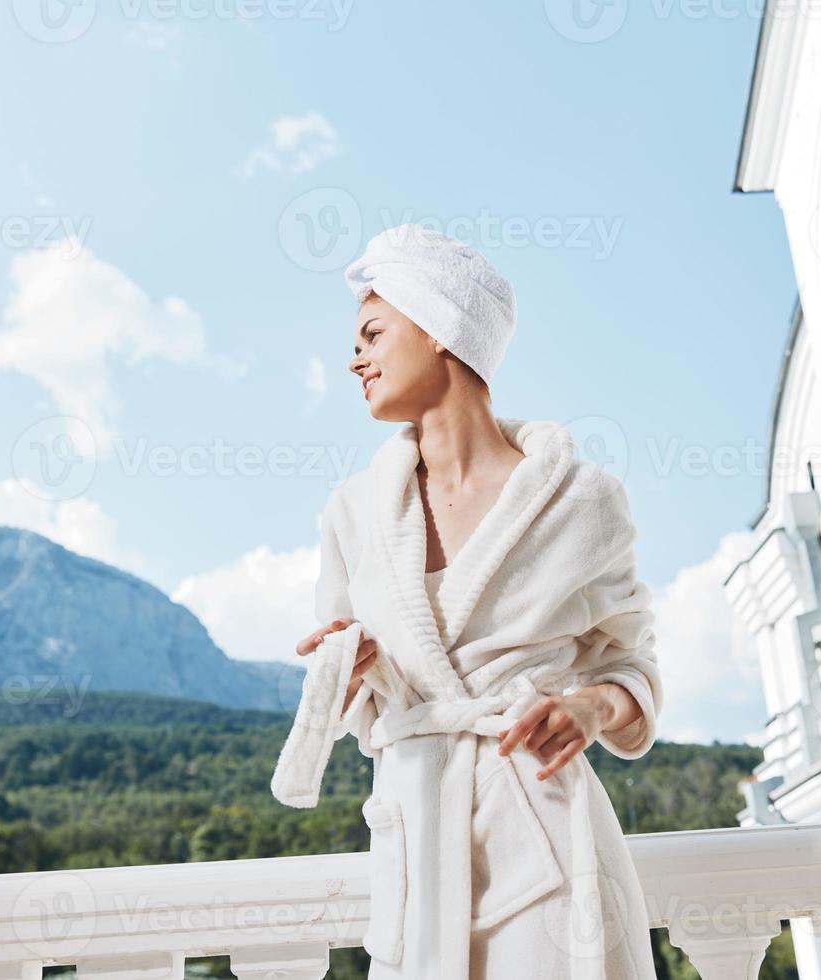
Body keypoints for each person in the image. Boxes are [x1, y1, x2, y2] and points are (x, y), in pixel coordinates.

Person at [284, 223, 663, 980]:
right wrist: (354, 673)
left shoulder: (581, 502)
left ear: (440, 329)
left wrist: (591, 709)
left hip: (547, 835)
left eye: (373, 332)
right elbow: (359, 711)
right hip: (415, 838)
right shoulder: (352, 513)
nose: (353, 358)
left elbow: (635, 667)